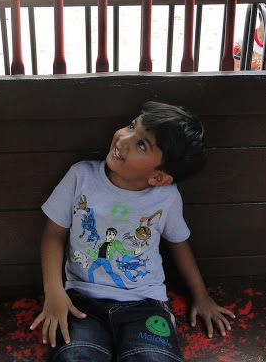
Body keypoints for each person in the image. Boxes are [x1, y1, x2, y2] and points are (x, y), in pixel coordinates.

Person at [30, 101, 236, 361]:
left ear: (159, 178)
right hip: (81, 301)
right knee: (75, 356)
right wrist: (54, 292)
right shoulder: (81, 176)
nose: (124, 139)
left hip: (145, 304)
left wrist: (202, 297)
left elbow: (179, 244)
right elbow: (53, 234)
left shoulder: (166, 198)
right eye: (131, 126)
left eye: (141, 144)